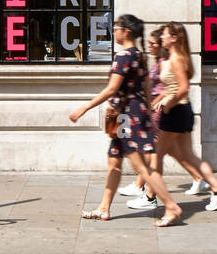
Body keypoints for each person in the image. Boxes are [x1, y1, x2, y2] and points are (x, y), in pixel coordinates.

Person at [70, 14, 183, 227]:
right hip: (124, 116)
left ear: (127, 31)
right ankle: (104, 208)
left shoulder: (123, 56)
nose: (114, 31)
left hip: (128, 116)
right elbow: (147, 87)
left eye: (117, 27)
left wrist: (83, 108)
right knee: (114, 162)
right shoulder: (140, 55)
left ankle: (171, 205)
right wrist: (148, 113)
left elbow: (113, 88)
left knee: (141, 166)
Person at [154, 21, 217, 212]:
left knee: (155, 156)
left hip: (175, 112)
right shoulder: (174, 57)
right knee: (189, 156)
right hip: (180, 111)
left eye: (164, 34)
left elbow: (183, 88)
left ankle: (152, 197)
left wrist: (167, 106)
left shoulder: (177, 59)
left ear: (174, 38)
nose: (161, 37)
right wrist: (160, 100)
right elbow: (172, 87)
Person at [123, 25, 165, 209]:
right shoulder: (157, 61)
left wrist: (158, 102)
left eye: (153, 43)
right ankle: (142, 187)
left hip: (157, 111)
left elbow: (172, 86)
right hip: (152, 109)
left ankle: (150, 196)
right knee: (152, 152)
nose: (149, 45)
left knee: (151, 153)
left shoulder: (165, 63)